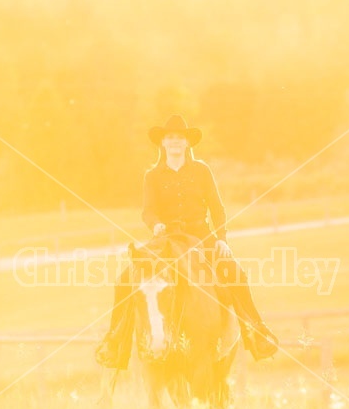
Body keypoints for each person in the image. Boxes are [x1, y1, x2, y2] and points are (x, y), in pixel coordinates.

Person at [97, 115, 278, 368]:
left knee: (235, 273)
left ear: (186, 143)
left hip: (201, 237)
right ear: (162, 143)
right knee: (126, 279)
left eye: (179, 138)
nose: (175, 143)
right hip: (166, 239)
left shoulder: (202, 170)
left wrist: (221, 239)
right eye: (170, 138)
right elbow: (147, 211)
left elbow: (217, 208)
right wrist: (156, 224)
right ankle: (115, 342)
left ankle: (256, 333)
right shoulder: (152, 175)